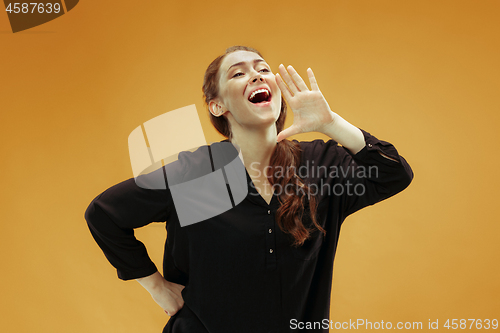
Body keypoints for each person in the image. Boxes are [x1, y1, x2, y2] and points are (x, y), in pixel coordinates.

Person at [84, 45, 413, 333]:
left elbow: (394, 174)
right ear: (217, 106)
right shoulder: (197, 173)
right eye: (238, 74)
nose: (256, 76)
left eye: (263, 70)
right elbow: (104, 214)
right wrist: (156, 287)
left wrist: (332, 125)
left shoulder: (319, 165)